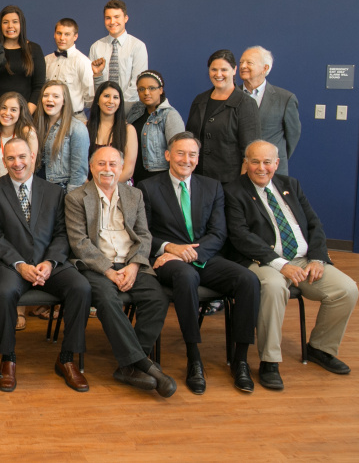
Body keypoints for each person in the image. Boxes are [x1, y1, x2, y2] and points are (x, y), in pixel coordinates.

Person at [224, 140, 358, 390]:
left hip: (304, 259)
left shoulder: (290, 185)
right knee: (275, 288)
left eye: (267, 162)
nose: (261, 168)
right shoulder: (233, 190)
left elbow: (314, 224)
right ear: (246, 163)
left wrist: (318, 258)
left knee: (346, 289)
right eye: (255, 161)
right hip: (262, 260)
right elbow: (240, 235)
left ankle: (320, 348)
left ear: (277, 163)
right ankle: (269, 361)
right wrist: (280, 263)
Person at [138, 132, 260, 394]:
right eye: (180, 153)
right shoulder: (148, 187)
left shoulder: (212, 186)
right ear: (168, 155)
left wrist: (192, 253)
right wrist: (170, 248)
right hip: (168, 261)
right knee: (186, 277)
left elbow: (219, 232)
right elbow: (143, 232)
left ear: (198, 158)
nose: (186, 159)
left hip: (204, 257)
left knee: (248, 280)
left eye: (192, 154)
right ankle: (194, 358)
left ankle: (240, 360)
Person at [0, 138, 92, 392]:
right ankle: (8, 358)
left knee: (81, 288)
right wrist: (19, 264)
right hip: (10, 265)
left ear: (32, 156)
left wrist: (50, 262)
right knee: (4, 292)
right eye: (10, 158)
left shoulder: (54, 191)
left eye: (21, 157)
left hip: (48, 264)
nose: (17, 163)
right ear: (4, 161)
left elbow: (63, 234)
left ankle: (67, 359)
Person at [65, 146, 176, 397]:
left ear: (121, 168)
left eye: (113, 164)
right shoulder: (75, 198)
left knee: (158, 298)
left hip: (130, 263)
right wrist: (108, 271)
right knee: (107, 300)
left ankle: (128, 365)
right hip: (97, 266)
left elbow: (144, 235)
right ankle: (143, 364)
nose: (107, 169)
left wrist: (135, 266)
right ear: (91, 167)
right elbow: (79, 242)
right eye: (101, 164)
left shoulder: (134, 195)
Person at [187, 49, 261, 184]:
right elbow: (189, 139)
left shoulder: (246, 103)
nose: (218, 74)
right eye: (213, 69)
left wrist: (241, 186)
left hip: (230, 182)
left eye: (224, 70)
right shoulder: (199, 100)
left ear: (234, 70)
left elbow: (250, 151)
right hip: (198, 179)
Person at [239, 46, 301, 176]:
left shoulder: (285, 98)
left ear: (265, 68)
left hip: (271, 172)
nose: (243, 66)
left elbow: (292, 136)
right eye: (241, 63)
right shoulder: (230, 95)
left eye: (249, 63)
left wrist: (272, 157)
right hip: (238, 171)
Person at [89, 0, 148, 112]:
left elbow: (138, 83)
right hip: (103, 109)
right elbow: (93, 84)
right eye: (108, 18)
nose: (112, 21)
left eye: (117, 17)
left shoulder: (138, 46)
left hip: (130, 109)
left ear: (125, 18)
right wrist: (106, 103)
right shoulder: (96, 47)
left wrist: (117, 104)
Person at [127, 70, 185, 185]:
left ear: (161, 90)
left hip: (158, 179)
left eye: (152, 88)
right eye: (141, 89)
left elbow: (179, 151)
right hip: (134, 177)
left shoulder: (169, 115)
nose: (146, 93)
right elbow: (110, 104)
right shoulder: (135, 110)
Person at [34, 80, 89, 192]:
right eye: (46, 95)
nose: (49, 99)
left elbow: (79, 170)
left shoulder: (77, 128)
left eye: (56, 96)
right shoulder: (36, 126)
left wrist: (71, 198)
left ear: (64, 101)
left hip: (61, 189)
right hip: (37, 186)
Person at [0, 5, 46, 113]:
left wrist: (25, 115)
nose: (10, 26)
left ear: (21, 24)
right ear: (0, 25)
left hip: (26, 114)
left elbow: (39, 86)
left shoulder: (34, 49)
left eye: (15, 22)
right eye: (5, 22)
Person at [0, 92, 39, 184]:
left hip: (22, 188)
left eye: (13, 110)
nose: (7, 113)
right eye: (3, 108)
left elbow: (30, 170)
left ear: (20, 113)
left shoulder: (27, 133)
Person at [44, 18, 93, 122]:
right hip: (48, 119)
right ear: (54, 34)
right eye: (59, 33)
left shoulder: (82, 61)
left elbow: (90, 97)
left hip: (74, 118)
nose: (62, 38)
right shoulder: (46, 60)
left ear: (75, 36)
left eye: (67, 34)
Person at [88, 81, 138, 183]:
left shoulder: (128, 130)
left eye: (115, 97)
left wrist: (107, 188)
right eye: (106, 96)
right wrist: (92, 191)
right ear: (97, 100)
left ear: (120, 103)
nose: (111, 101)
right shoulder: (84, 127)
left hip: (120, 187)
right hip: (89, 189)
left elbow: (128, 171)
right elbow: (79, 168)